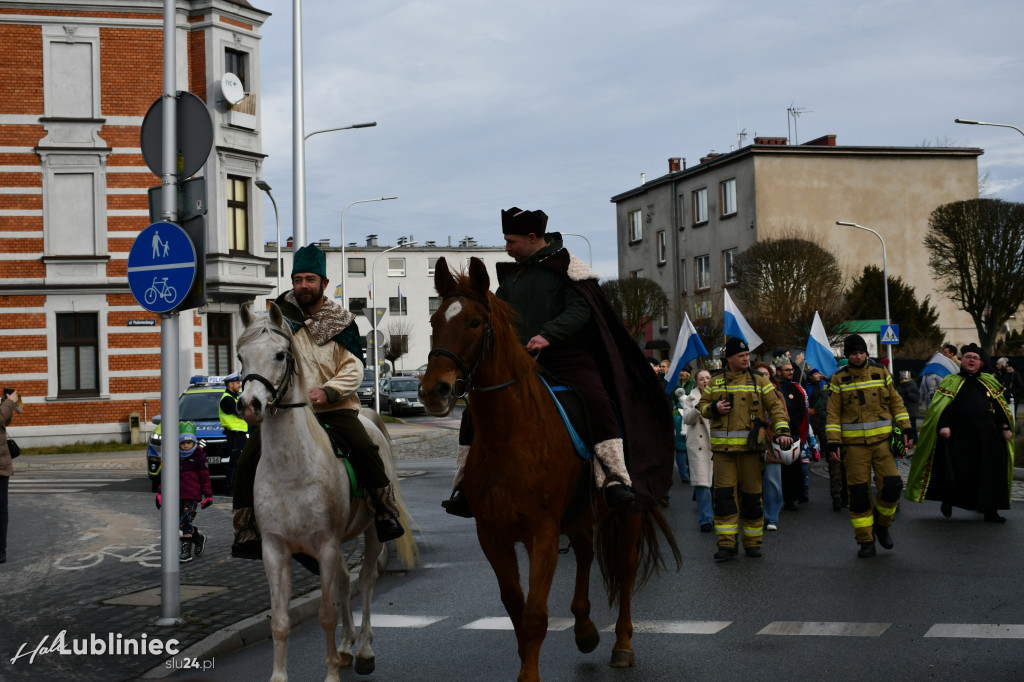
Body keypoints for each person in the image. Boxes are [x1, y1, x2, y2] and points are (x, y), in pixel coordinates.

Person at [443, 207, 673, 517]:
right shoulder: (513, 279)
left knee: (597, 400)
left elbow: (580, 310)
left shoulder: (569, 268)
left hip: (567, 358)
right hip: (522, 361)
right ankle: (464, 485)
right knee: (475, 408)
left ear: (532, 237)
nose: (507, 248)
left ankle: (614, 477)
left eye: (511, 242)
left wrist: (548, 334)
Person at [232, 244, 404, 559]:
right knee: (246, 460)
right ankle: (246, 528)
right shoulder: (278, 317)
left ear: (324, 283)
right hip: (286, 412)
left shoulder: (342, 322)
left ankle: (383, 510)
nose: (303, 286)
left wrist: (328, 391)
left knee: (364, 446)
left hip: (334, 410)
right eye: (298, 279)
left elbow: (353, 369)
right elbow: (260, 354)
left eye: (310, 279)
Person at [699, 338, 791, 561]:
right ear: (729, 358)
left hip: (751, 451)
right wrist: (714, 407)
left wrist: (783, 431)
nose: (745, 358)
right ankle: (726, 545)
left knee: (752, 498)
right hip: (724, 454)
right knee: (724, 498)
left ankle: (752, 543)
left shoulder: (759, 380)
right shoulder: (716, 381)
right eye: (740, 356)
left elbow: (776, 408)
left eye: (747, 354)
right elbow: (702, 407)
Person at [825, 334, 913, 558]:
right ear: (847, 355)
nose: (858, 356)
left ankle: (882, 525)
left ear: (867, 353)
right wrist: (833, 442)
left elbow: (896, 402)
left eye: (861, 352)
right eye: (853, 353)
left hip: (882, 443)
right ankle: (865, 540)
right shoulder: (838, 379)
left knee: (893, 486)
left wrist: (906, 428)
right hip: (854, 448)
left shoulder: (880, 372)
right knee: (859, 494)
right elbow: (833, 414)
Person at [906, 344, 1014, 523]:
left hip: (989, 436)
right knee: (959, 471)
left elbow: (1000, 407)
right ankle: (948, 500)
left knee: (990, 473)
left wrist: (1005, 427)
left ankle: (990, 510)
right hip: (961, 437)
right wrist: (944, 425)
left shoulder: (989, 381)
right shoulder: (951, 381)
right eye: (968, 356)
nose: (971, 360)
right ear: (961, 360)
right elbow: (942, 409)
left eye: (975, 358)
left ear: (980, 363)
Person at [157, 422, 213, 562]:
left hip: (192, 495)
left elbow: (204, 477)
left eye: (189, 442)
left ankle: (186, 551)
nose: (186, 446)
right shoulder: (175, 457)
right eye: (183, 443)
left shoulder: (198, 456)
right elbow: (166, 475)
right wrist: (160, 493)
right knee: (178, 523)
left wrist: (208, 495)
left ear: (193, 442)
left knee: (185, 520)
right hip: (176, 495)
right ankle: (198, 537)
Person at [805, 367, 845, 511]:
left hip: (849, 437)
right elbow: (822, 412)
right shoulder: (827, 394)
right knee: (835, 468)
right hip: (831, 436)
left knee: (846, 469)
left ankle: (844, 496)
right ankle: (837, 498)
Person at [681, 369, 714, 532]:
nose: (705, 381)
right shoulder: (691, 398)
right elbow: (687, 419)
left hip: (717, 444)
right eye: (701, 378)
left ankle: (720, 517)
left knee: (719, 485)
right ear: (697, 382)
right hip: (699, 446)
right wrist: (699, 407)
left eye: (708, 378)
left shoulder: (719, 394)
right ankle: (706, 519)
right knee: (702, 485)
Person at [753, 362, 783, 531]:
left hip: (772, 443)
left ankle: (771, 517)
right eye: (760, 374)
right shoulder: (749, 392)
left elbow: (783, 415)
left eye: (766, 374)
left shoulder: (777, 395)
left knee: (772, 482)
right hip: (753, 443)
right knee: (753, 482)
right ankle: (754, 514)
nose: (763, 377)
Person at [775, 359, 808, 510]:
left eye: (791, 369)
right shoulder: (774, 387)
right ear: (778, 371)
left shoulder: (796, 388)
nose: (790, 372)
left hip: (792, 433)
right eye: (786, 370)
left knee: (792, 468)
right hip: (775, 434)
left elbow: (801, 410)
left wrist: (792, 426)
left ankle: (791, 499)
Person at [0, 388, 22, 564]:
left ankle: (1, 550)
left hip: (1, 464)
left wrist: (9, 403)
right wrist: (8, 403)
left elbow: (3, 421)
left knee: (1, 509)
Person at [218, 372, 247, 495]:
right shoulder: (227, 399)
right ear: (229, 384)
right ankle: (229, 488)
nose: (239, 385)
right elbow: (242, 412)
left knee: (240, 462)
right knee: (235, 463)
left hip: (240, 435)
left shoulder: (235, 397)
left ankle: (238, 487)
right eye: (237, 382)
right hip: (234, 435)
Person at [672, 388, 690, 485]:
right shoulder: (690, 412)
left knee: (680, 456)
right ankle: (689, 474)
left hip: (678, 438)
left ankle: (684, 476)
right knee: (690, 457)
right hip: (689, 438)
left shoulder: (675, 413)